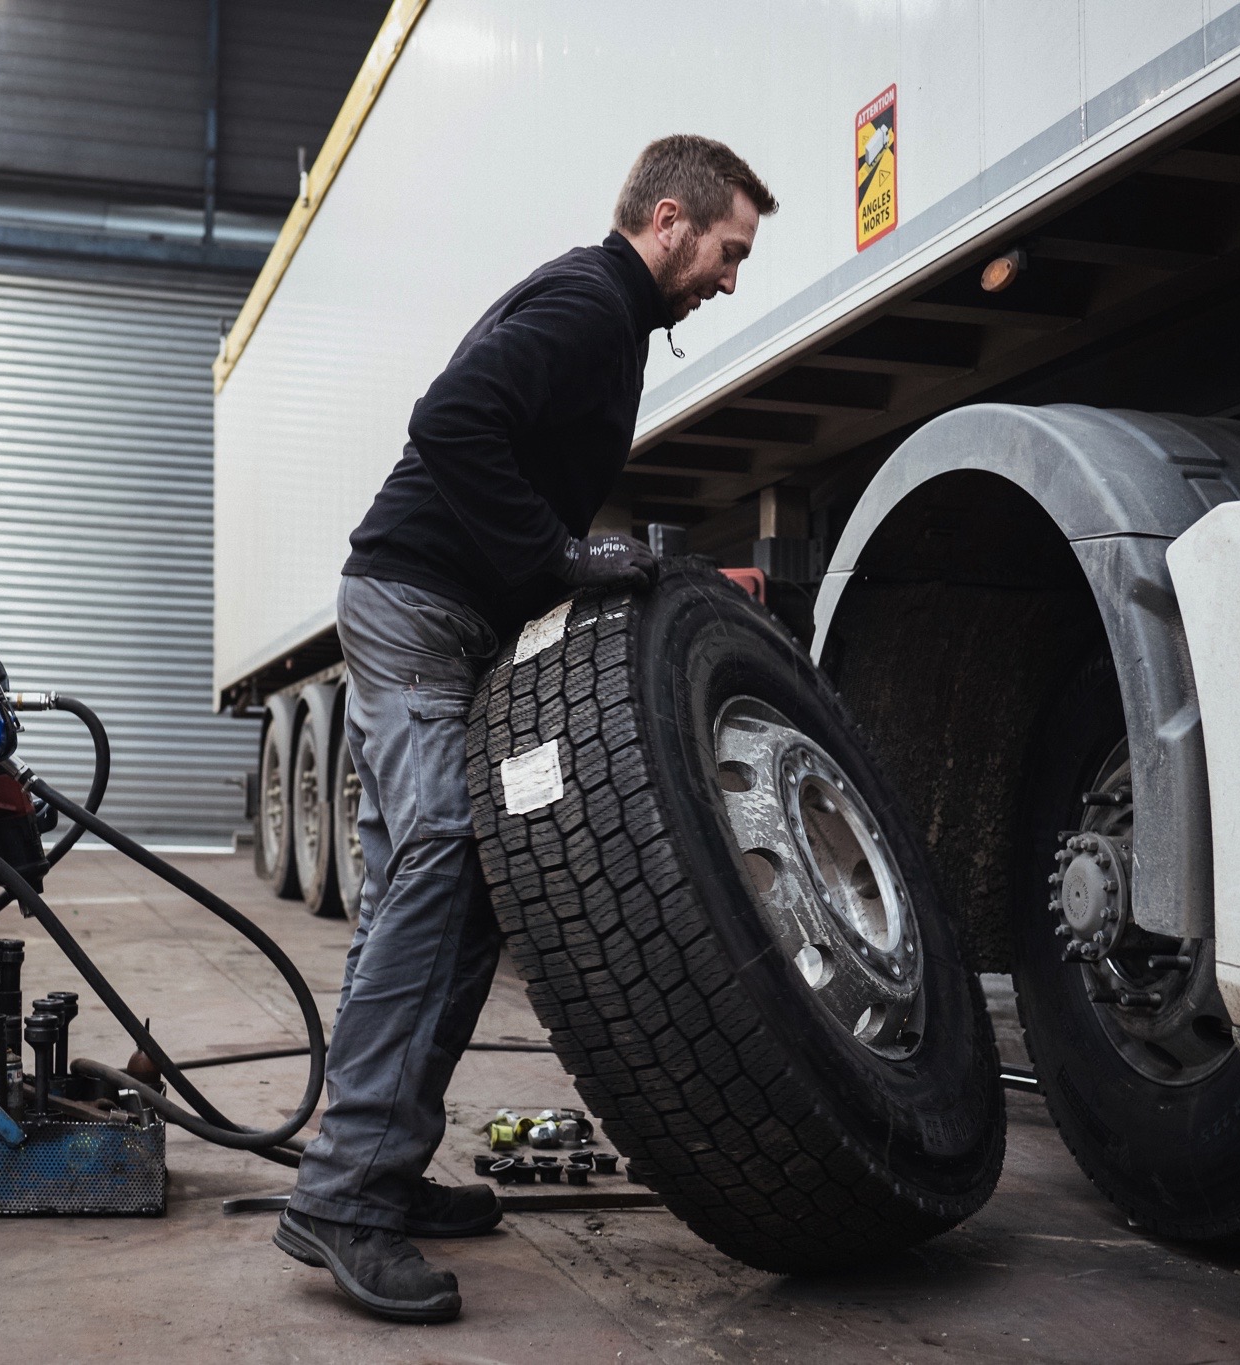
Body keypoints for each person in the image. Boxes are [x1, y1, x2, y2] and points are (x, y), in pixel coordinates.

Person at [275, 135, 776, 1322]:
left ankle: (376, 1171)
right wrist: (550, 559)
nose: (730, 278)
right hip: (412, 605)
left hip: (448, 611)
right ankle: (342, 1196)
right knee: (447, 856)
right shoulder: (588, 303)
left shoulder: (606, 315)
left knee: (435, 875)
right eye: (727, 250)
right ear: (668, 220)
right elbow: (448, 423)